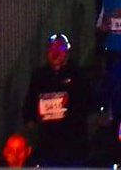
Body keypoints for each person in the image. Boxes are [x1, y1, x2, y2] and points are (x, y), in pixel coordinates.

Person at [22, 34, 90, 166]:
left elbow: (86, 102)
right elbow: (29, 103)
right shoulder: (39, 75)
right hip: (47, 140)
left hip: (72, 141)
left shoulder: (77, 74)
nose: (56, 53)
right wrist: (30, 122)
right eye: (52, 49)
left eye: (60, 49)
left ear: (67, 52)